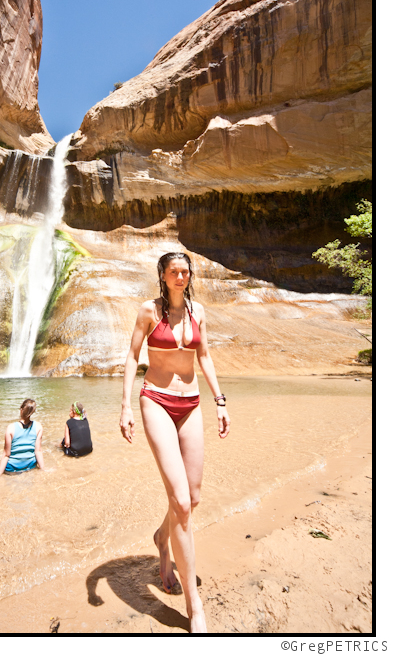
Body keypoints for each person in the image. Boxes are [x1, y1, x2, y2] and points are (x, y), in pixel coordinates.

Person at [120, 252, 231, 634]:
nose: (180, 277)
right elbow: (133, 356)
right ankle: (193, 606)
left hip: (192, 403)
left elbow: (205, 356)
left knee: (193, 498)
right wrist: (125, 407)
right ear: (163, 276)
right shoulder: (148, 312)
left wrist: (220, 401)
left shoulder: (198, 311)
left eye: (185, 272)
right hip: (155, 400)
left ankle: (161, 539)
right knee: (180, 501)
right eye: (174, 272)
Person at [0, 398, 44, 477]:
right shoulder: (38, 427)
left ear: (21, 410)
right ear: (32, 412)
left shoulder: (10, 428)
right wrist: (43, 468)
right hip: (30, 467)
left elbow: (6, 454)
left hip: (12, 469)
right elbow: (38, 451)